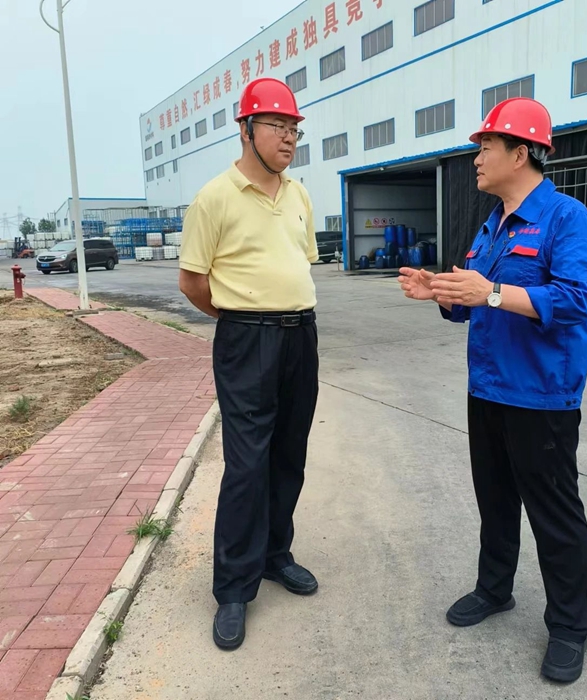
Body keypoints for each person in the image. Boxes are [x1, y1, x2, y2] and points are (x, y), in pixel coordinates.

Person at [398, 97, 587, 683]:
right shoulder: (492, 226)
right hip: (487, 390)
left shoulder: (566, 218)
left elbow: (576, 301)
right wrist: (440, 291)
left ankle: (569, 627)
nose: (477, 158)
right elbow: (473, 303)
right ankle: (495, 589)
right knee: (494, 499)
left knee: (554, 513)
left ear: (521, 153)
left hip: (540, 396)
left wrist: (489, 292)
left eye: (486, 146)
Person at [179, 77, 320, 651]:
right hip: (246, 339)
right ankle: (234, 588)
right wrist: (241, 317)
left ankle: (274, 554)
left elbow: (299, 263)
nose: (288, 137)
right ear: (245, 129)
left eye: (294, 129)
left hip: (301, 336)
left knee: (289, 452)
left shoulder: (299, 194)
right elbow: (192, 282)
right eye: (277, 126)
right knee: (246, 464)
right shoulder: (214, 198)